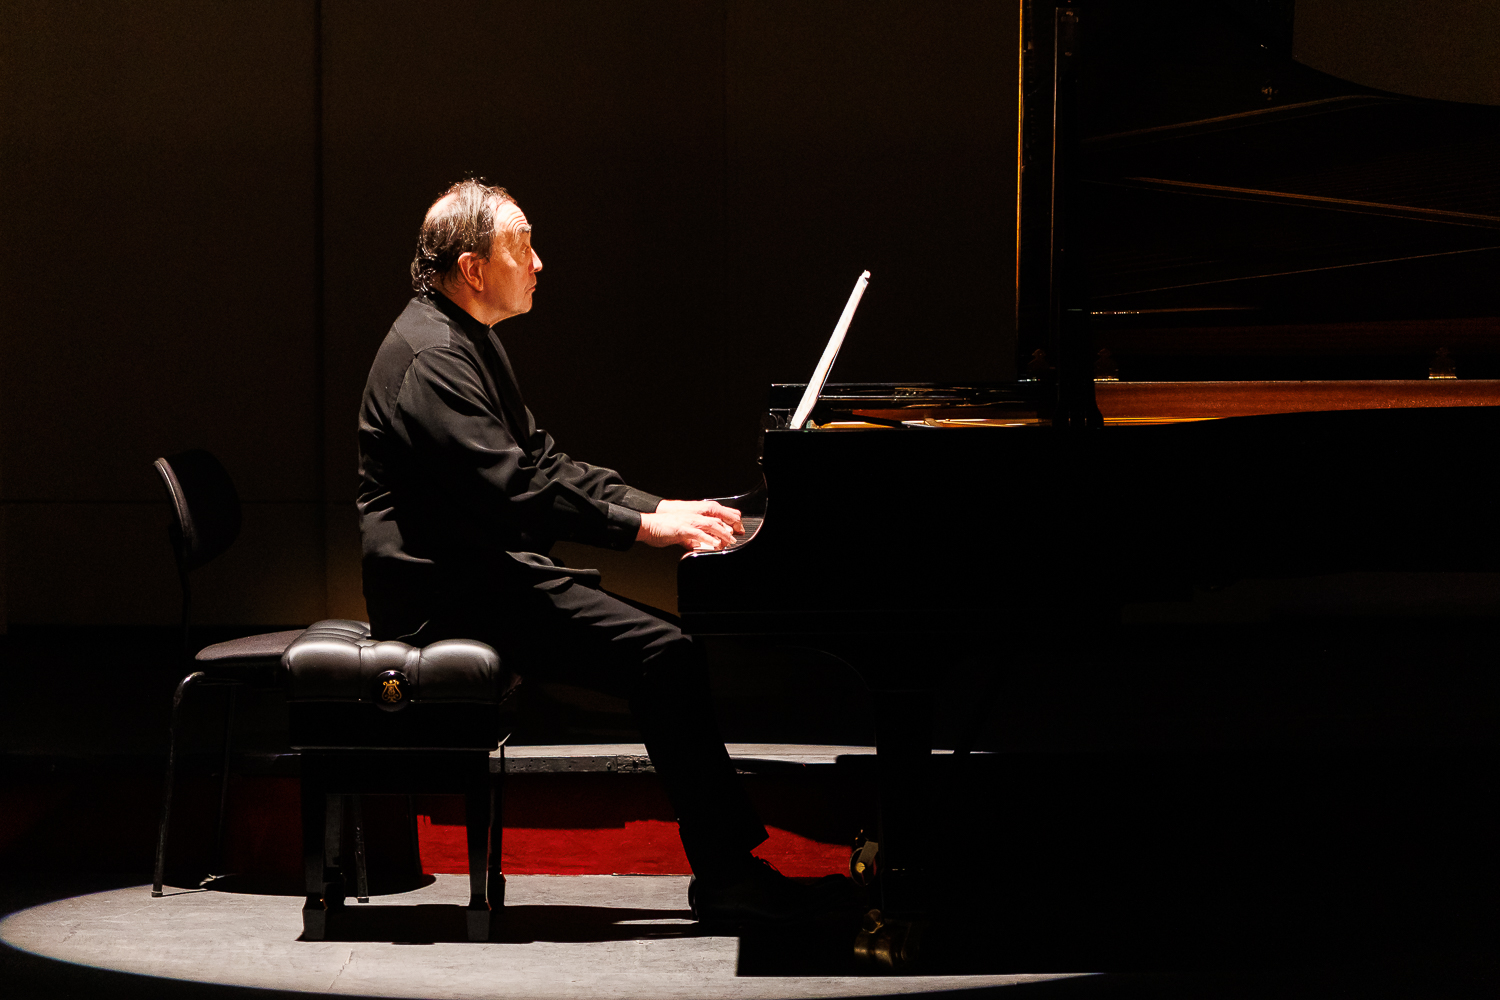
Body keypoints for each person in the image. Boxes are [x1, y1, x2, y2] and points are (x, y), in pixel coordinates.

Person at [357, 179, 847, 923]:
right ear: (473, 268)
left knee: (668, 652)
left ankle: (727, 869)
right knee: (665, 655)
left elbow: (544, 462)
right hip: (444, 596)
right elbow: (517, 488)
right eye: (523, 245)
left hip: (481, 573)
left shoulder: (466, 339)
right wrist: (645, 532)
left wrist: (659, 507)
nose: (539, 262)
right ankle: (726, 877)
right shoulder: (434, 358)